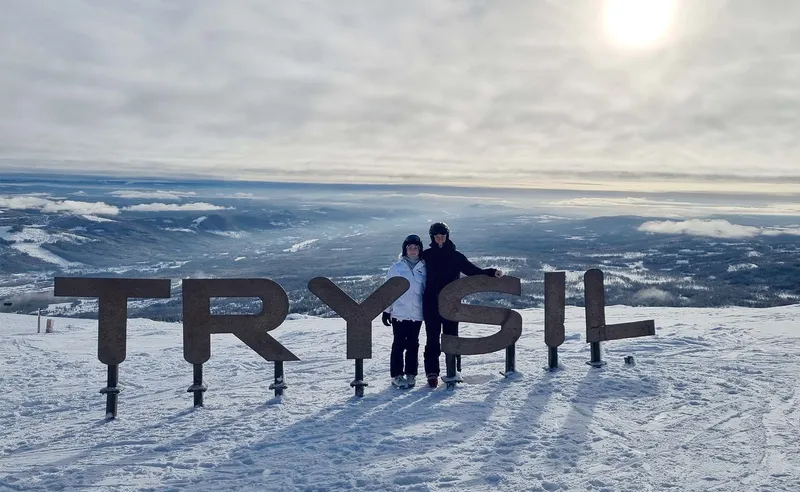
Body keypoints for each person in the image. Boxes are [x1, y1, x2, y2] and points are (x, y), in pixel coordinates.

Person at [421, 222, 503, 387]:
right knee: (432, 339)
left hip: (451, 304)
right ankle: (432, 373)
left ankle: (454, 370)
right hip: (431, 304)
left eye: (442, 236)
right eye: (436, 236)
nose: (439, 239)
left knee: (453, 338)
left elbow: (472, 270)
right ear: (432, 237)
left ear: (447, 236)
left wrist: (491, 272)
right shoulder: (427, 255)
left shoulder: (456, 256)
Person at [382, 234, 427, 388]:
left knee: (413, 345)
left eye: (415, 247)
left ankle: (411, 374)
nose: (413, 250)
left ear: (419, 249)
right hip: (399, 314)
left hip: (417, 314)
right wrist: (387, 310)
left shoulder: (425, 268)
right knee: (399, 345)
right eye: (410, 247)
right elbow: (388, 291)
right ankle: (396, 375)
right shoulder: (396, 268)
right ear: (405, 249)